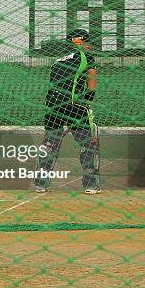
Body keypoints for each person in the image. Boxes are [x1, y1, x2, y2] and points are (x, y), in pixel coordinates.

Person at [34, 28, 101, 194]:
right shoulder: (87, 58)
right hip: (75, 106)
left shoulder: (58, 61)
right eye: (87, 41)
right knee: (89, 144)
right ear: (80, 42)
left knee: (50, 145)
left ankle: (40, 184)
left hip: (52, 107)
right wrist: (86, 104)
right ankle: (91, 184)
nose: (90, 45)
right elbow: (92, 85)